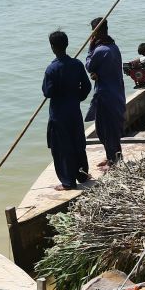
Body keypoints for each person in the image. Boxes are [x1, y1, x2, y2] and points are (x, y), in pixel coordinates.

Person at [43, 29, 92, 191]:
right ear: (67, 44)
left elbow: (47, 92)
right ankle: (82, 175)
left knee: (62, 148)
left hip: (58, 115)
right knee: (78, 143)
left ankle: (68, 182)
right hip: (74, 111)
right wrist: (77, 98)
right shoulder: (76, 64)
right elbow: (86, 87)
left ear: (52, 47)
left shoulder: (52, 69)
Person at [85, 17, 126, 168]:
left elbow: (89, 65)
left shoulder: (101, 50)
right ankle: (112, 157)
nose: (92, 35)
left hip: (106, 95)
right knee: (107, 129)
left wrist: (90, 48)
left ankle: (114, 160)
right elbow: (97, 70)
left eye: (93, 32)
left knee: (106, 129)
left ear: (98, 32)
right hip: (115, 92)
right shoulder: (113, 46)